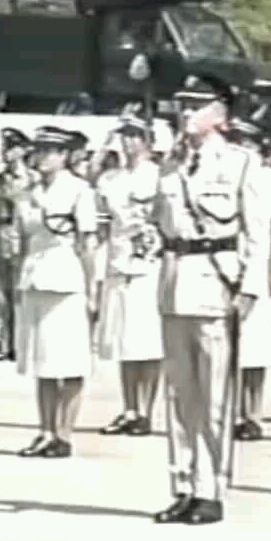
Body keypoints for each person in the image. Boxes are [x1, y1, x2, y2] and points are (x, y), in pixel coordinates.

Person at [151, 82, 271, 526]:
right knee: (179, 394)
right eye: (181, 105)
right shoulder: (171, 164)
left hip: (216, 283)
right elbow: (161, 226)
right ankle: (182, 483)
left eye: (195, 107)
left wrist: (251, 288)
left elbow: (258, 235)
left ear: (221, 115)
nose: (185, 113)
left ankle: (211, 488)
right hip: (174, 282)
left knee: (215, 395)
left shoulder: (242, 164)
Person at [14, 127, 98, 459]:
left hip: (66, 279)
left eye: (50, 150)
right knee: (42, 362)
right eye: (40, 149)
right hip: (35, 278)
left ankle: (65, 433)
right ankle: (45, 430)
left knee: (70, 362)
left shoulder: (79, 190)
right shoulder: (28, 192)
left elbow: (87, 243)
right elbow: (23, 238)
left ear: (64, 155)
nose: (43, 156)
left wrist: (93, 289)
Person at [95, 117, 165, 436]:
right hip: (119, 262)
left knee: (148, 343)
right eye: (124, 136)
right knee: (124, 342)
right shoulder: (110, 179)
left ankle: (146, 410)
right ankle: (129, 407)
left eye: (136, 136)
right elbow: (102, 224)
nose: (128, 143)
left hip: (150, 264)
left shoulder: (161, 176)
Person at [227, 121, 271, 442]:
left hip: (259, 265)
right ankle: (232, 411)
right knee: (229, 346)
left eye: (247, 144)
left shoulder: (269, 179)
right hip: (227, 264)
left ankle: (253, 413)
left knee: (256, 349)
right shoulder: (224, 174)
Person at [0, 128, 34, 362]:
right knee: (2, 293)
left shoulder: (31, 178)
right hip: (1, 231)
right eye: (5, 147)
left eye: (12, 148)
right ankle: (5, 342)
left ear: (23, 150)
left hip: (23, 233)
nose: (7, 152)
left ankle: (21, 342)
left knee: (21, 291)